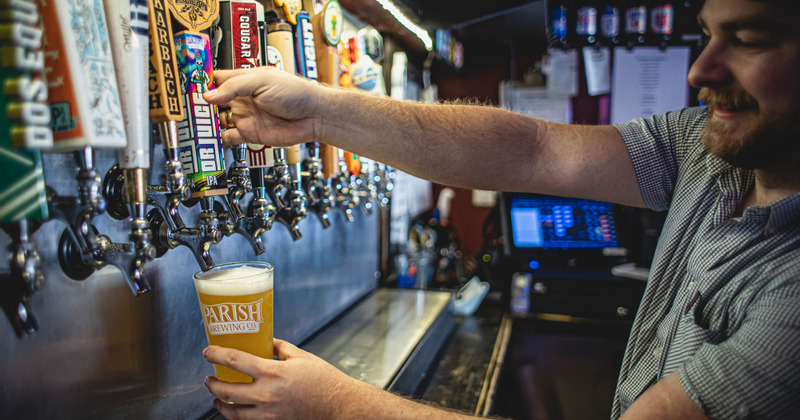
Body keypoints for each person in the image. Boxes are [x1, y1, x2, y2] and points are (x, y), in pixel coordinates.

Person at [200, 0, 800, 418]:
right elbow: (531, 149)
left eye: (748, 40)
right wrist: (319, 114)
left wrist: (334, 405)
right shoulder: (707, 149)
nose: (701, 69)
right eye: (708, 33)